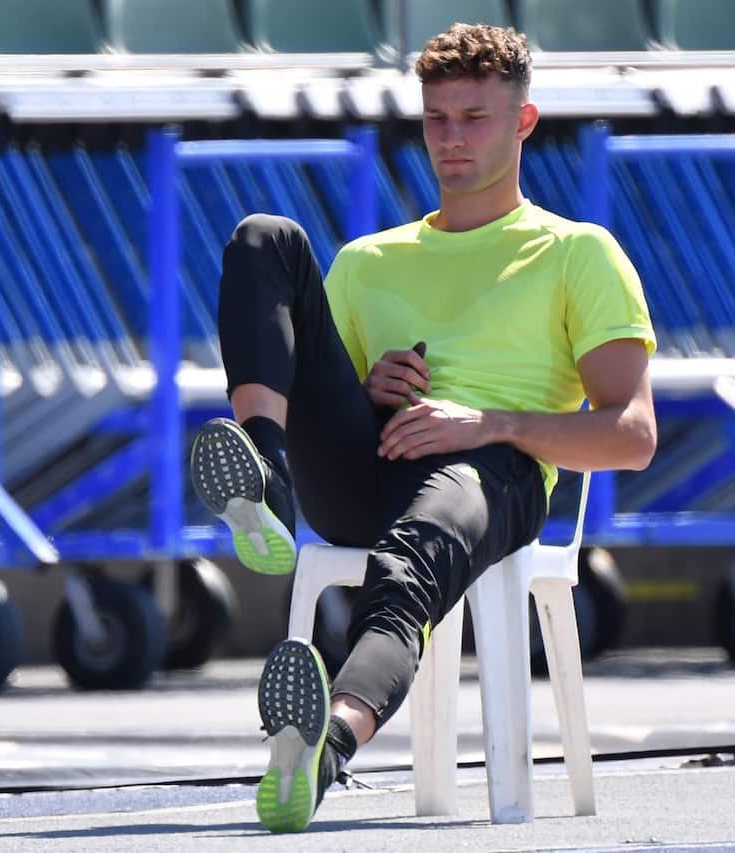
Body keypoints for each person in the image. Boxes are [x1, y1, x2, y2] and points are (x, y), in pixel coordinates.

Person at [189, 23, 657, 833]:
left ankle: (323, 747)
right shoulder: (370, 261)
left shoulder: (578, 253)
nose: (451, 138)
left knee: (405, 574)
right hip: (363, 468)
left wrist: (489, 421)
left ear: (524, 122)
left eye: (474, 117)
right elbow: (330, 392)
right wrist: (370, 390)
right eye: (437, 118)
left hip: (492, 474)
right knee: (265, 237)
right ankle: (262, 468)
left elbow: (632, 435)